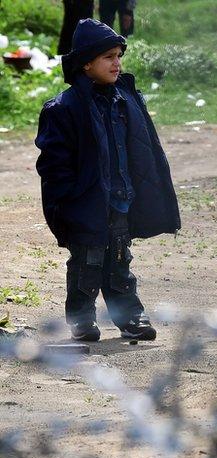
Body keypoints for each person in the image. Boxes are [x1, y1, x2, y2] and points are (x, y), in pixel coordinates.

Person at [35, 19, 180, 342]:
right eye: (108, 57)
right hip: (84, 202)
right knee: (87, 261)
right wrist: (68, 198)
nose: (117, 63)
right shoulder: (63, 109)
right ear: (86, 64)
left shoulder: (125, 99)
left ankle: (130, 317)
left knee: (119, 260)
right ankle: (82, 320)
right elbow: (53, 163)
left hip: (121, 197)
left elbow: (143, 149)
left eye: (118, 56)